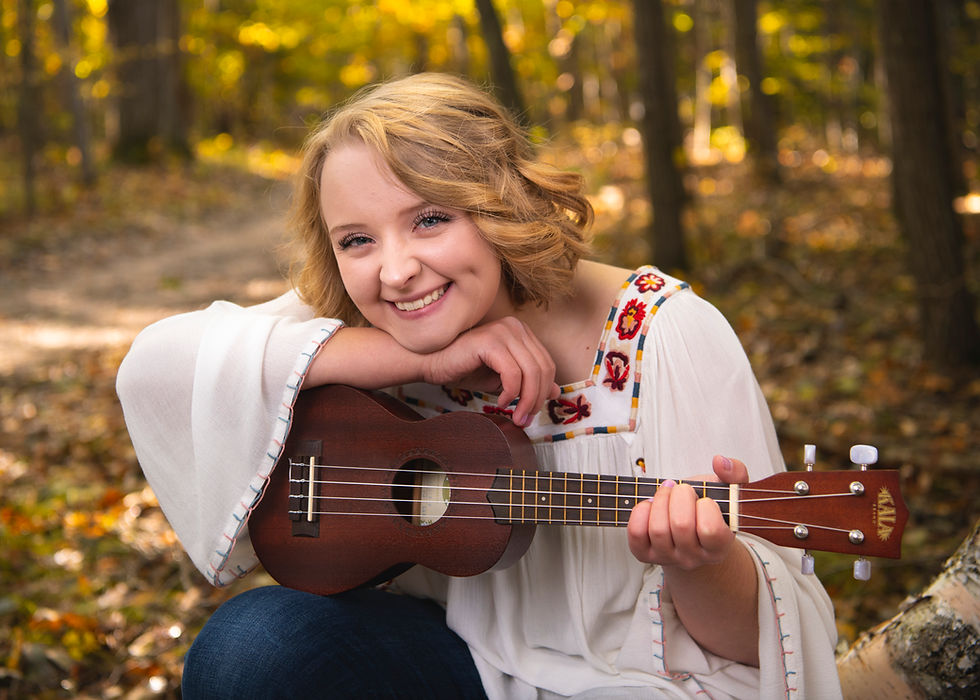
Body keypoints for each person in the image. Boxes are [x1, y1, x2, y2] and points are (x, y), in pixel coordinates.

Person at [116, 72, 842, 699]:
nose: (395, 270)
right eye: (356, 240)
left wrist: (703, 564)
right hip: (454, 662)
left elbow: (755, 654)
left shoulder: (664, 333)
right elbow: (152, 366)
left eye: (430, 220)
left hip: (642, 680)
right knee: (251, 649)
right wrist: (418, 362)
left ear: (501, 207)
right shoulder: (380, 319)